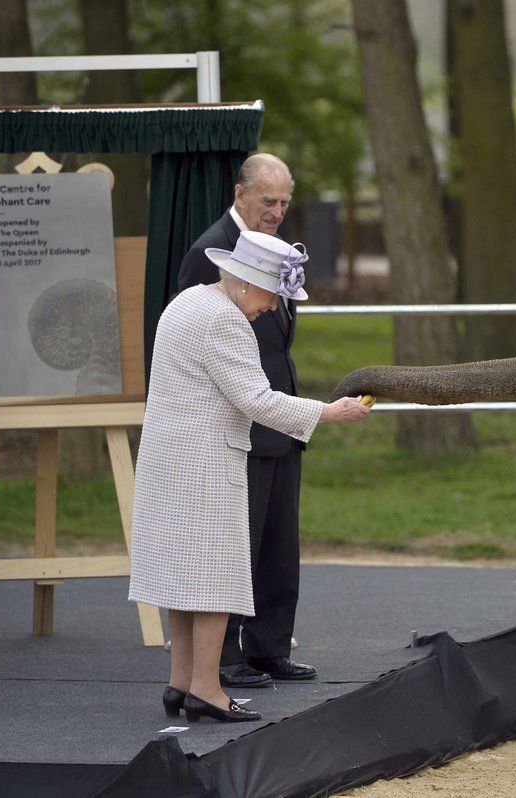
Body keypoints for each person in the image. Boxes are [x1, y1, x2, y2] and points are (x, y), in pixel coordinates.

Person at [130, 230, 370, 722]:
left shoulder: (186, 303)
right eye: (271, 294)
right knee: (216, 575)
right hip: (204, 461)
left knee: (183, 575)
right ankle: (206, 689)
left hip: (167, 458)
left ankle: (179, 684)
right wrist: (329, 412)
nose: (271, 307)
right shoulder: (225, 321)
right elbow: (256, 400)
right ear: (244, 281)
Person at [176, 153, 316, 689]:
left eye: (284, 202)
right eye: (268, 201)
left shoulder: (274, 250)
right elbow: (193, 336)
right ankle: (226, 657)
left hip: (280, 417)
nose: (278, 212)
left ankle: (269, 646)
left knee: (279, 543)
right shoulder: (207, 253)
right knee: (236, 543)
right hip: (236, 423)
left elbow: (276, 342)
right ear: (240, 195)